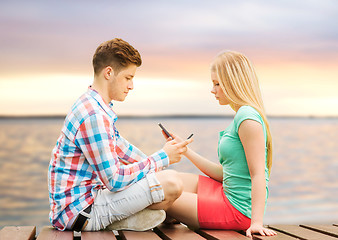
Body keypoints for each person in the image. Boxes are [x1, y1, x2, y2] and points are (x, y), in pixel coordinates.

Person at [48, 38, 192, 232]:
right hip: (81, 212)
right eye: (128, 77)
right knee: (172, 183)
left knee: (168, 178)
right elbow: (114, 180)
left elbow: (123, 151)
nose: (131, 85)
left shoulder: (95, 106)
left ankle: (140, 217)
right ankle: (125, 220)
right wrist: (161, 158)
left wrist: (161, 163)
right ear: (109, 73)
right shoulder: (94, 115)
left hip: (89, 200)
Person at [163, 51, 277, 238]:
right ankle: (167, 216)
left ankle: (163, 214)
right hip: (224, 192)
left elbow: (259, 175)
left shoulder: (247, 118)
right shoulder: (241, 115)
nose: (212, 89)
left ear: (234, 83)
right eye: (212, 83)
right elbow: (227, 174)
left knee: (158, 194)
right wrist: (186, 151)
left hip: (236, 210)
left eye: (217, 84)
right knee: (165, 179)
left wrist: (256, 222)